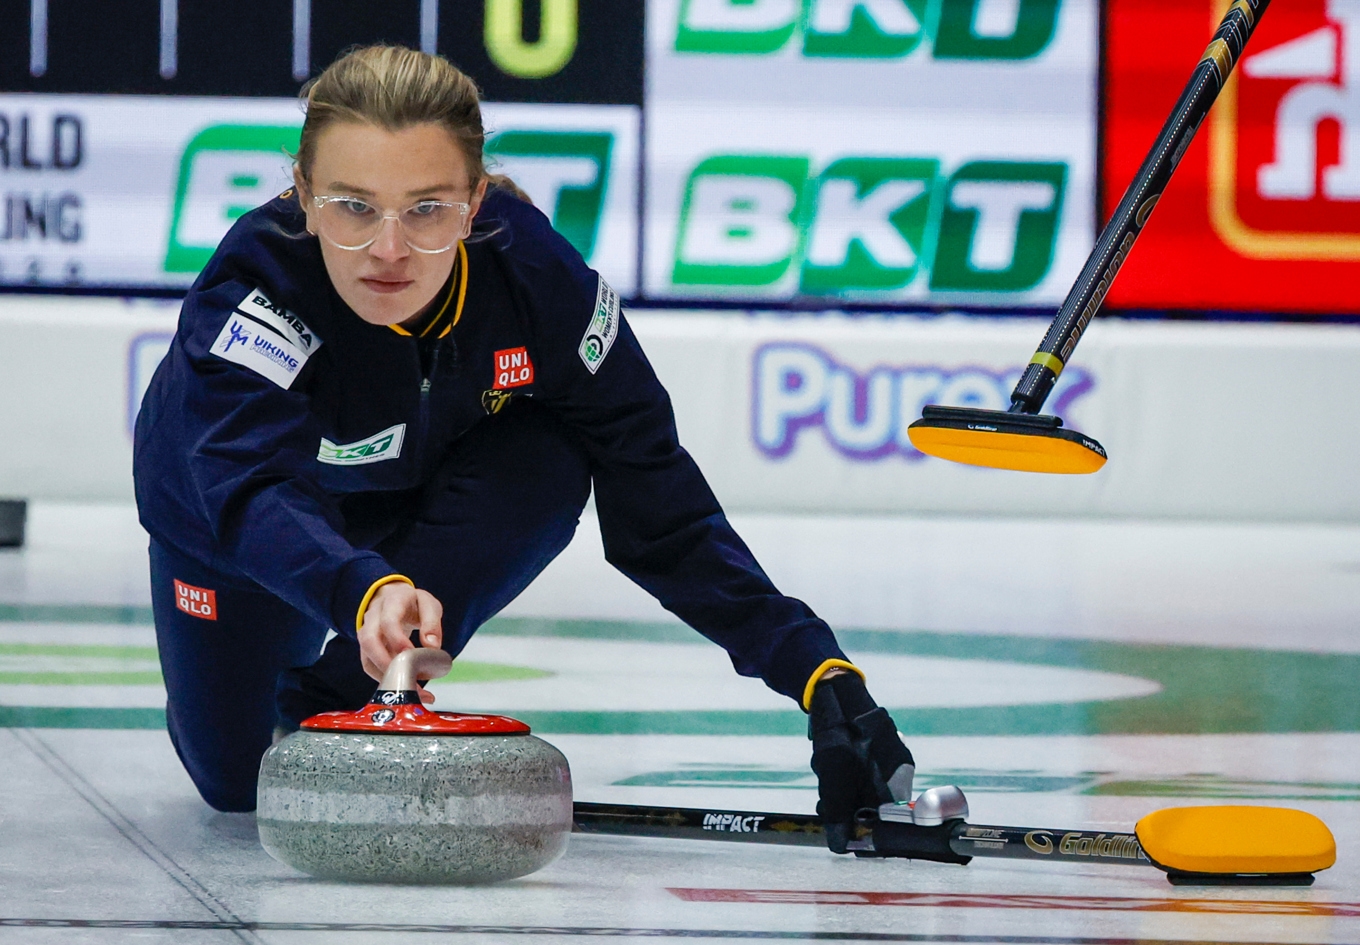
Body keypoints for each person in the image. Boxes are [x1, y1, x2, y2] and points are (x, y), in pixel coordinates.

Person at [133, 45, 916, 852]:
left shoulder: (539, 284)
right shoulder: (257, 286)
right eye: (354, 207)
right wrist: (362, 589)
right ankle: (292, 677)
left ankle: (343, 699)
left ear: (476, 202)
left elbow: (662, 509)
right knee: (238, 785)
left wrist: (818, 671)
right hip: (233, 531)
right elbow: (243, 486)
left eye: (428, 208)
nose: (390, 250)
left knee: (550, 457)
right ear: (302, 193)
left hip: (412, 506)